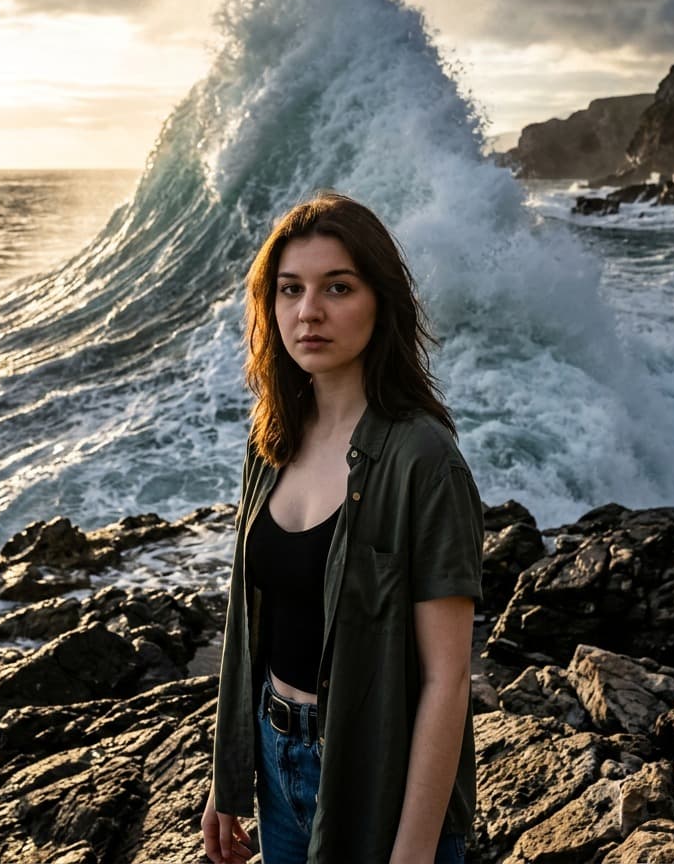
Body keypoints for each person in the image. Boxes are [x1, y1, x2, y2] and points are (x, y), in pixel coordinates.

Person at [202, 192, 484, 864]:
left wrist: (412, 852)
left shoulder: (423, 458)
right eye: (290, 289)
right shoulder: (271, 439)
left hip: (374, 776)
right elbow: (254, 621)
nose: (310, 311)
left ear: (380, 301)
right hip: (276, 761)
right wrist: (227, 776)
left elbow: (448, 678)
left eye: (338, 287)